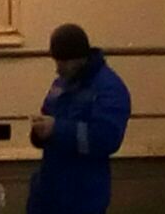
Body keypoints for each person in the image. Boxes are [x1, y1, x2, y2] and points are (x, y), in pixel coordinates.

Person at [27, 24, 131, 214]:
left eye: (63, 63)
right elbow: (47, 113)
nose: (58, 69)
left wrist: (56, 130)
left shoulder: (109, 89)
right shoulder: (62, 83)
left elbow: (106, 138)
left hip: (83, 195)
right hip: (49, 191)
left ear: (79, 58)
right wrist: (39, 132)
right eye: (56, 62)